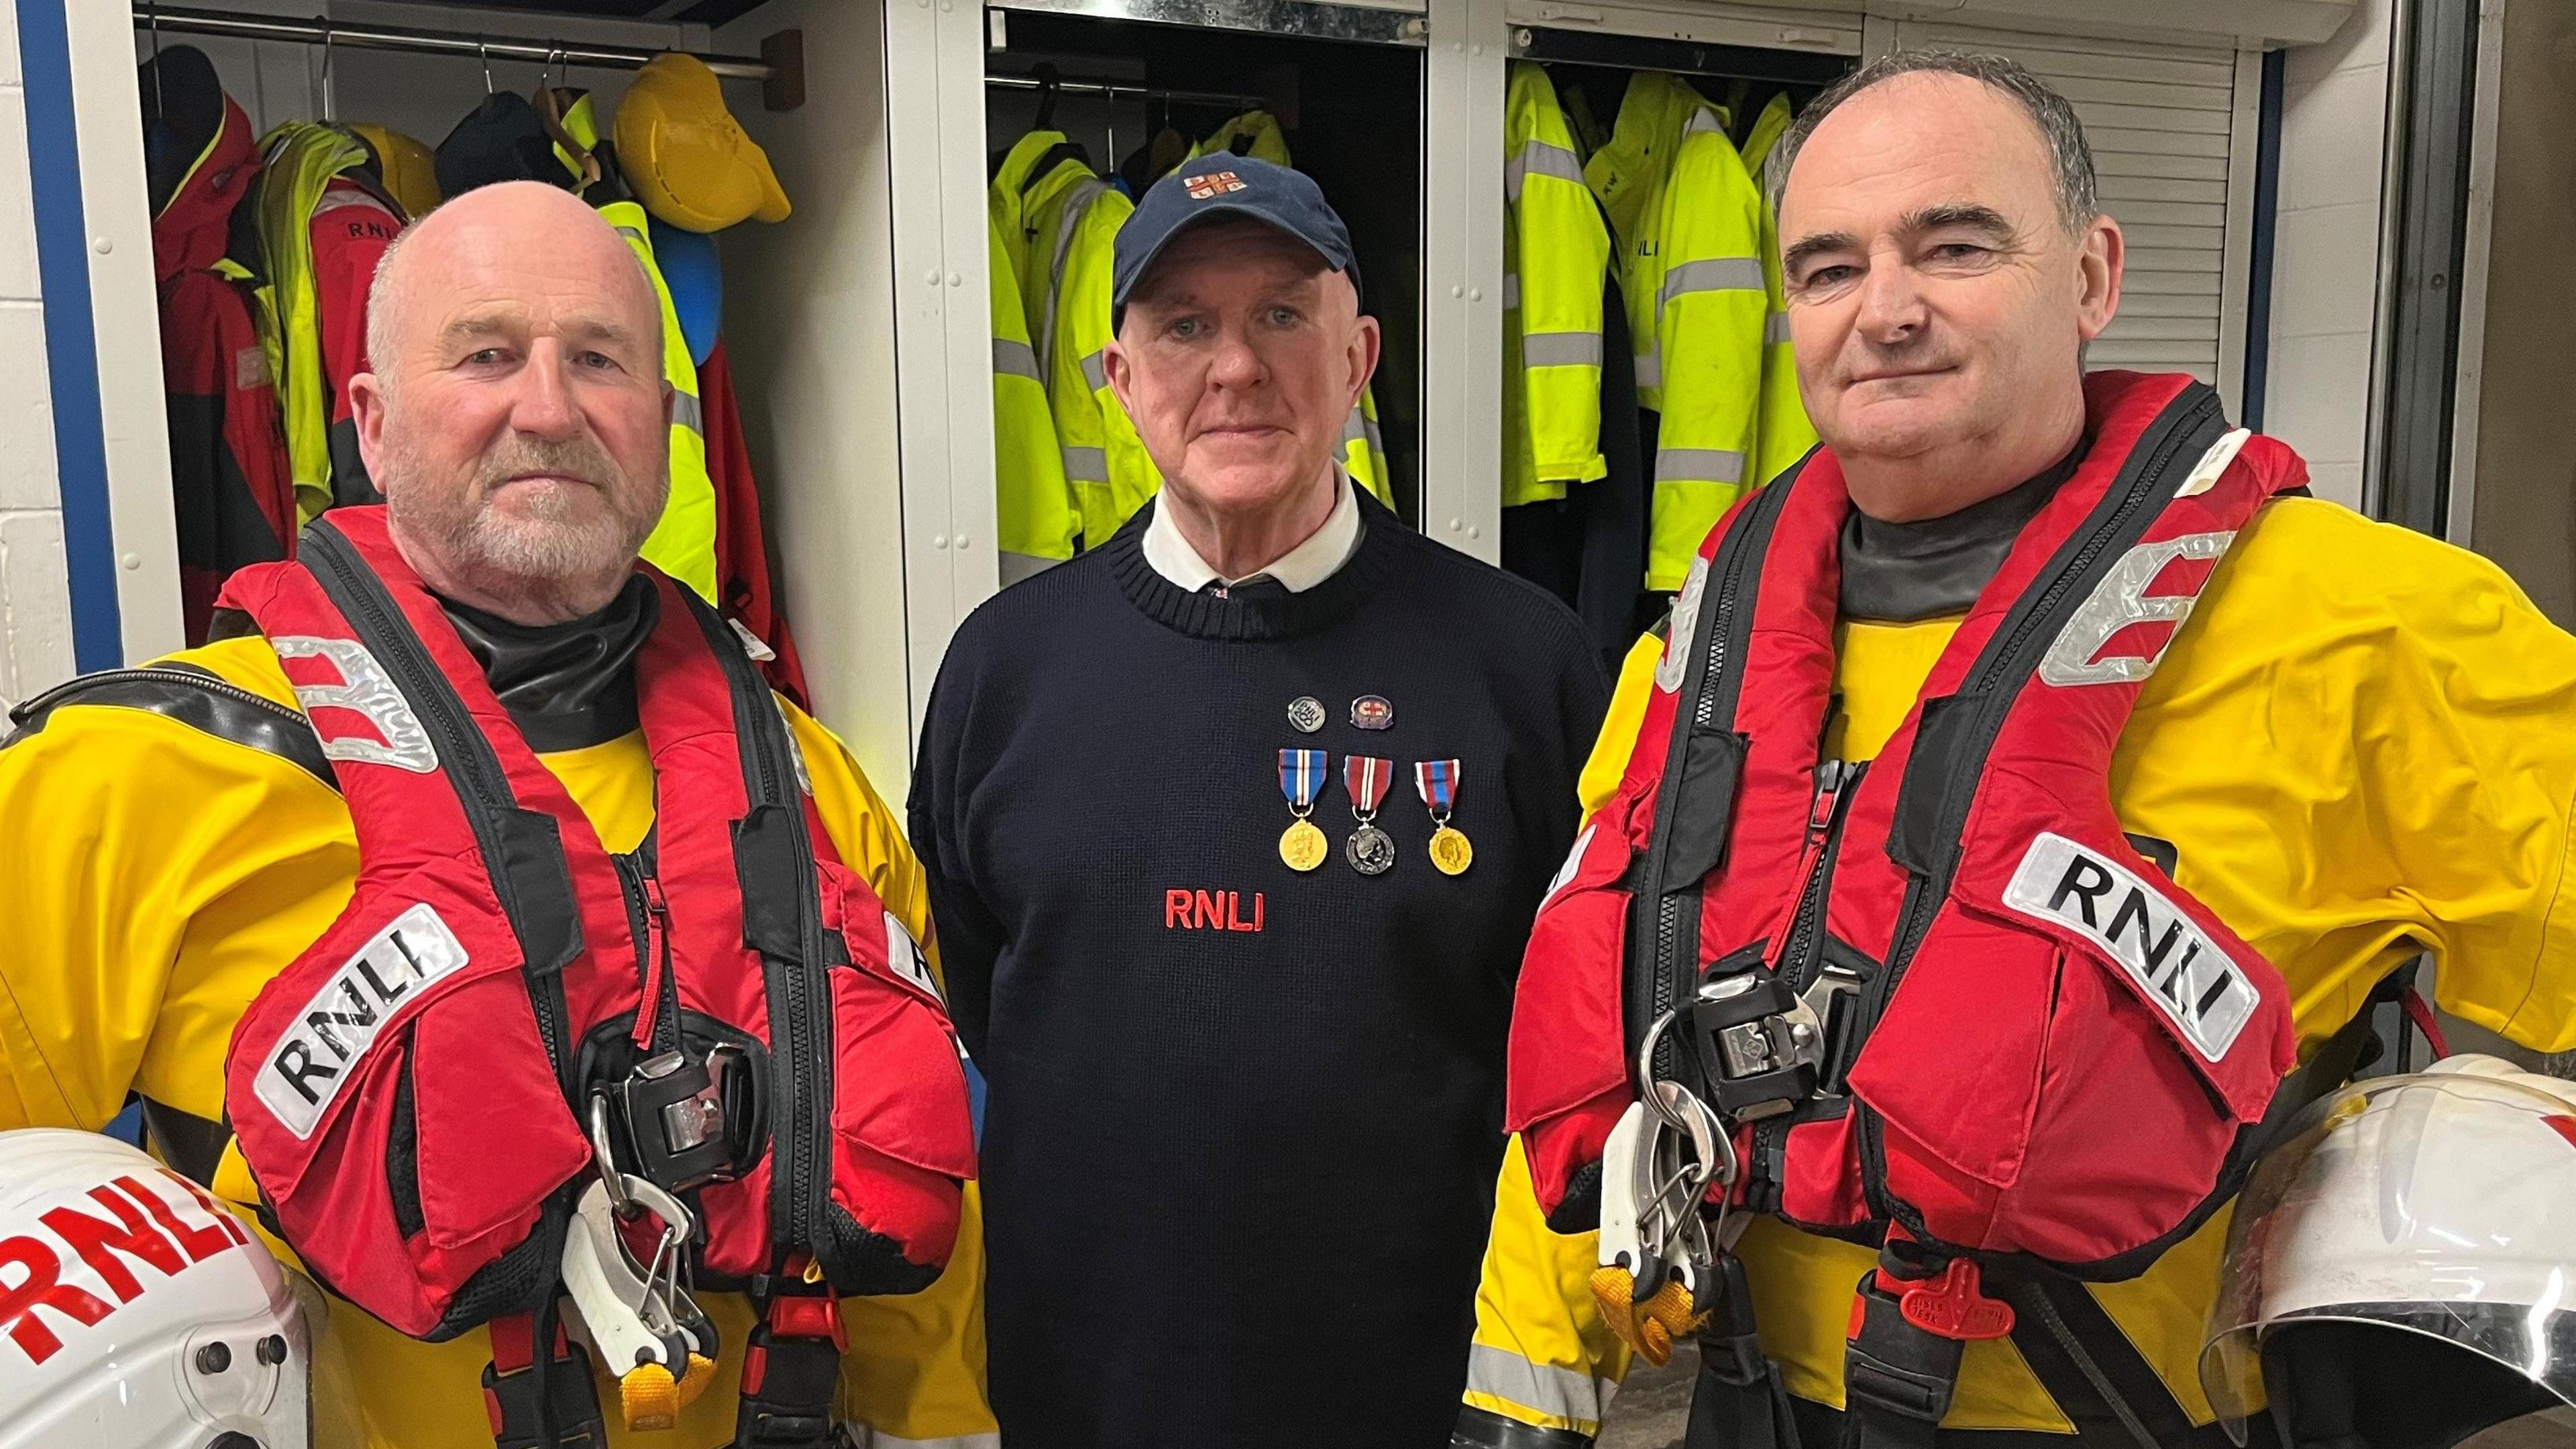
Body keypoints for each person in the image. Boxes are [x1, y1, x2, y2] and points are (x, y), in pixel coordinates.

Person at [1460, 50, 2576, 1449]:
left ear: (2095, 276)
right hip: (1746, 1408)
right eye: (1826, 268)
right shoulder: (1695, 664)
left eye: (1956, 244)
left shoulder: (2375, 631)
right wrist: (1521, 1406)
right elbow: (1620, 1076)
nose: (1887, 311)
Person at [0, 181, 992, 1449]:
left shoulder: (814, 788)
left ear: (665, 422)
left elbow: (925, 1248)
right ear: (368, 420)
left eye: (599, 360)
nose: (548, 407)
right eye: (485, 355)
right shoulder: (133, 776)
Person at [908, 154, 1610, 1447]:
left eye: (1282, 313)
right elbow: (980, 995)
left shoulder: (1525, 662)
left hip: (1418, 1395)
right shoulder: (1004, 670)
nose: (1234, 367)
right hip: (1079, 1391)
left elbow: (1569, 1052)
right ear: (1119, 382)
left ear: (1361, 357)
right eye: (1184, 325)